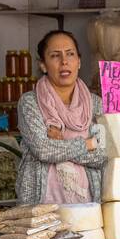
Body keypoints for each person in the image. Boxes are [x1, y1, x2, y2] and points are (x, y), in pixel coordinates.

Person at [16, 30, 105, 205]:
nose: (64, 62)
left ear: (79, 62)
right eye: (55, 56)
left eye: (70, 54)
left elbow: (103, 156)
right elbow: (43, 150)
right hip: (40, 207)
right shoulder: (30, 102)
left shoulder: (96, 104)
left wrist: (61, 141)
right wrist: (88, 143)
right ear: (43, 65)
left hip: (87, 208)